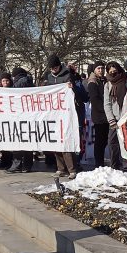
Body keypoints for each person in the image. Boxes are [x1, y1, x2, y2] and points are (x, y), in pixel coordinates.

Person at [44, 54, 77, 186]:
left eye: (55, 67)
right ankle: (60, 168)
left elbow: (75, 91)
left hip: (66, 113)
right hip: (54, 113)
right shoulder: (49, 77)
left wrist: (70, 87)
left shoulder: (67, 75)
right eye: (51, 68)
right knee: (56, 141)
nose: (54, 70)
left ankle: (72, 169)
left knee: (66, 141)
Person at [104, 61, 127, 171]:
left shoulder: (125, 80)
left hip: (126, 117)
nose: (113, 72)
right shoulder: (108, 85)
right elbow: (107, 103)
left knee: (125, 142)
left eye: (114, 70)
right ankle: (114, 165)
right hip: (114, 119)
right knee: (112, 143)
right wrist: (111, 119)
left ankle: (126, 165)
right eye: (110, 70)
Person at [86, 61, 108, 168]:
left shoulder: (104, 80)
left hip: (106, 114)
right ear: (94, 70)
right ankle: (98, 163)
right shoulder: (92, 82)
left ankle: (101, 162)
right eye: (98, 68)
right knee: (99, 141)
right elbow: (94, 99)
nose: (101, 70)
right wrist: (106, 110)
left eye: (102, 68)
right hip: (99, 115)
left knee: (104, 141)